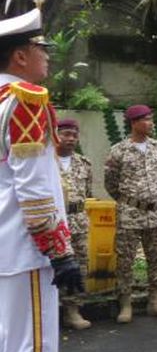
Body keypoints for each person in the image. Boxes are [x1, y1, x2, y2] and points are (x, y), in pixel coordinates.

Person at [0, 8, 84, 352]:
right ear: (19, 56)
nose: (46, 57)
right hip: (24, 249)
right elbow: (32, 187)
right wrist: (59, 250)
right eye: (40, 48)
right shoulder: (25, 100)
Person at [104, 104, 157, 323]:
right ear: (134, 123)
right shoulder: (119, 150)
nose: (150, 123)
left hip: (155, 213)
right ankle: (125, 304)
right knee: (125, 260)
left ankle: (155, 301)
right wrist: (129, 200)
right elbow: (111, 183)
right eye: (145, 120)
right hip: (130, 212)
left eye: (151, 119)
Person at [56, 118, 93, 329]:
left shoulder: (84, 163)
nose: (70, 139)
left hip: (78, 222)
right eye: (66, 134)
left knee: (78, 266)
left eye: (74, 135)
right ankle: (48, 310)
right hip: (54, 223)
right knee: (49, 266)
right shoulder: (45, 160)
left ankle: (72, 310)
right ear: (55, 135)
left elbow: (87, 193)